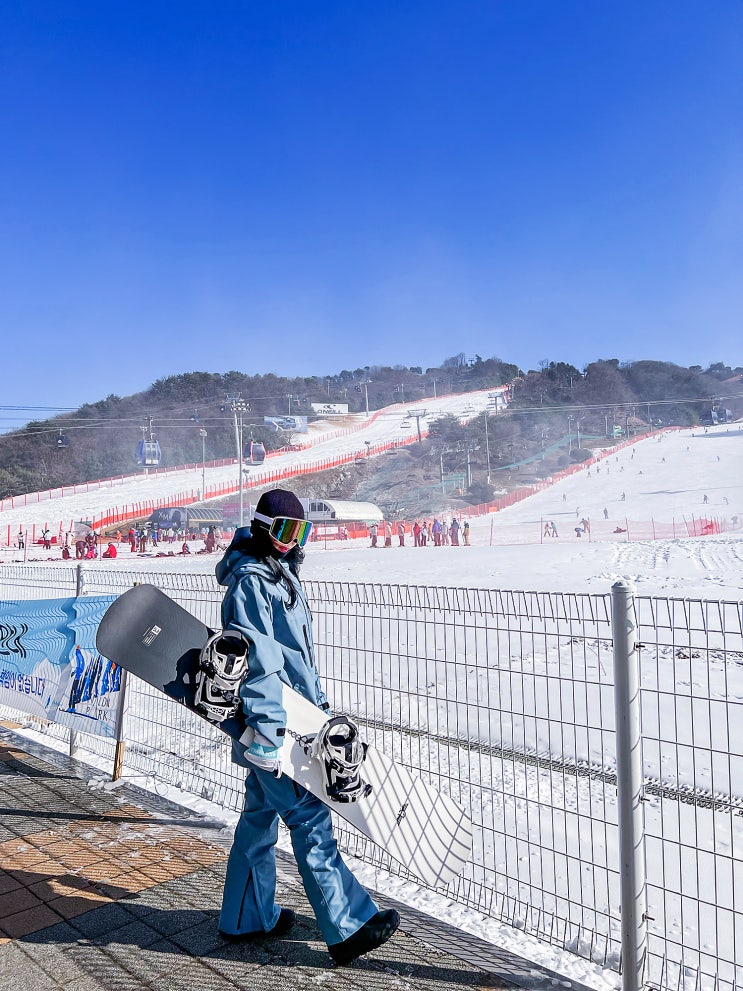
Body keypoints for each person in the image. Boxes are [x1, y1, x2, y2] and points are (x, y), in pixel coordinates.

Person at [215, 489, 399, 963]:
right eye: (283, 530)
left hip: (292, 716)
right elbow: (258, 661)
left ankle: (245, 916)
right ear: (262, 527)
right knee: (308, 815)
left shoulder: (277, 573)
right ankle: (348, 925)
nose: (291, 540)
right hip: (275, 725)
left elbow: (296, 657)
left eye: (300, 531)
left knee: (259, 818)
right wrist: (270, 731)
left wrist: (318, 708)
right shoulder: (251, 582)